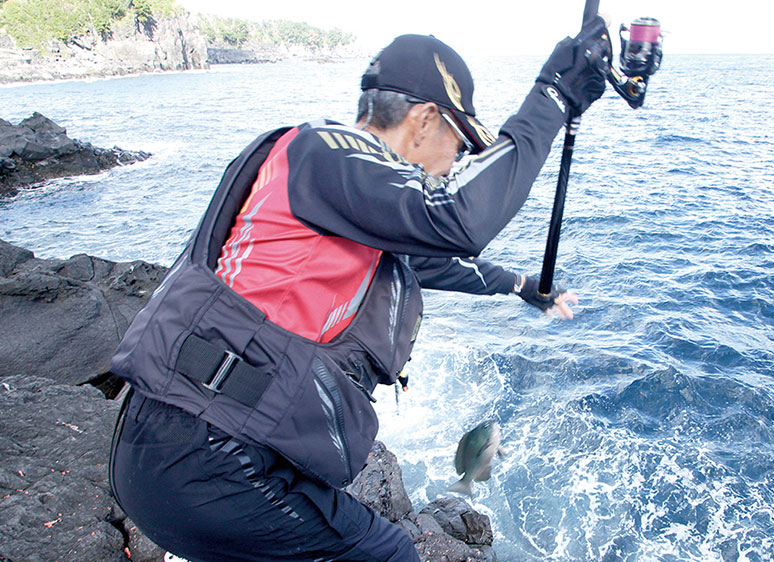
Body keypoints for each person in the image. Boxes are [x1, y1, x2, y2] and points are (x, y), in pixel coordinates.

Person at [107, 21, 611, 561]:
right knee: (389, 553)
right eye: (460, 145)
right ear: (423, 121)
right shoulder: (326, 151)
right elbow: (457, 222)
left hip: (187, 449)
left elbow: (429, 261)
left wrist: (521, 286)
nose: (456, 165)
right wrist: (552, 96)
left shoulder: (342, 190)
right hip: (203, 454)